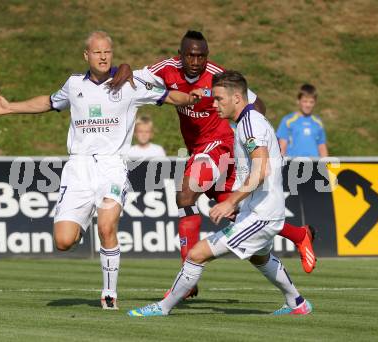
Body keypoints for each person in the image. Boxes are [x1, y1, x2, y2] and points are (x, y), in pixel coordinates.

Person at [0, 30, 202, 310]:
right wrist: (10, 108)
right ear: (87, 55)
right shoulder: (74, 85)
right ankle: (80, 226)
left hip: (111, 167)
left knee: (107, 227)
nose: (103, 56)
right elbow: (49, 102)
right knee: (63, 241)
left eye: (107, 52)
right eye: (97, 52)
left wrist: (190, 99)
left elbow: (168, 96)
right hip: (78, 168)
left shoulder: (128, 85)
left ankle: (109, 294)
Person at [113, 31, 316, 286]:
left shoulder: (217, 75)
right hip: (197, 147)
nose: (197, 61)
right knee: (237, 212)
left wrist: (245, 130)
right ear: (181, 55)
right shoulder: (167, 69)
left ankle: (187, 272)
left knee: (186, 195)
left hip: (219, 144)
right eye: (191, 55)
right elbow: (133, 75)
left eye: (201, 56)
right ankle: (299, 234)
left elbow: (257, 105)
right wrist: (124, 66)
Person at [128, 71, 313, 317]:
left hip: (261, 215)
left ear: (236, 98)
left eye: (218, 99)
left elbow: (261, 169)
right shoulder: (249, 120)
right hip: (260, 210)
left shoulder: (249, 125)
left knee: (196, 254)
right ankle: (297, 303)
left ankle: (162, 308)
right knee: (260, 258)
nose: (213, 104)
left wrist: (231, 202)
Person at [277, 84, 328, 157]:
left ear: (315, 103)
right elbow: (282, 146)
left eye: (311, 102)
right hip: (293, 165)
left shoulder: (318, 122)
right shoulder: (288, 121)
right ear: (298, 101)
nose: (308, 105)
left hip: (314, 165)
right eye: (305, 101)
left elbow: (322, 146)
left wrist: (326, 166)